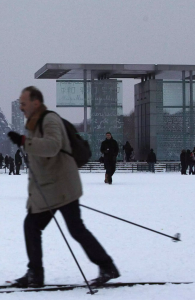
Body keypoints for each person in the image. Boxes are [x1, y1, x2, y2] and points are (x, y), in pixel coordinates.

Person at [7, 86, 118, 288]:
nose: (21, 107)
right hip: (50, 188)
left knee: (71, 229)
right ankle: (36, 274)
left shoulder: (49, 120)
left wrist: (24, 141)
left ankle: (106, 266)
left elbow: (52, 145)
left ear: (36, 103)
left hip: (62, 187)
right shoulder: (33, 124)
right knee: (34, 226)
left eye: (24, 103)